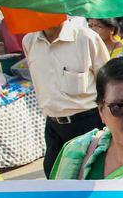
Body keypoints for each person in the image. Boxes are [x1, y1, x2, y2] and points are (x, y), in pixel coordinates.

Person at [23, 18, 109, 177]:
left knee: (90, 176)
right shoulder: (29, 41)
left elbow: (107, 82)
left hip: (88, 121)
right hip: (53, 123)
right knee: (53, 175)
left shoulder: (86, 37)